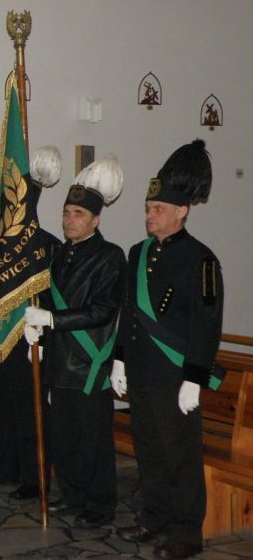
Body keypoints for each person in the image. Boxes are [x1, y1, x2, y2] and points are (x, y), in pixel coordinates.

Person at [112, 140, 223, 559]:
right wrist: (119, 359)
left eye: (157, 208)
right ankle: (154, 516)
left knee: (179, 455)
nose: (149, 215)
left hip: (175, 377)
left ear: (182, 211)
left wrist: (194, 377)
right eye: (147, 207)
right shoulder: (137, 253)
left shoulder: (201, 260)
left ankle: (186, 531)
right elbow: (128, 311)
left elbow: (207, 324)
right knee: (149, 449)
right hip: (142, 371)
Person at [24, 155, 126, 528]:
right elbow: (49, 300)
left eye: (78, 214)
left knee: (93, 441)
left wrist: (52, 320)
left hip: (88, 363)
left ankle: (99, 505)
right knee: (63, 439)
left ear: (96, 219)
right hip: (58, 362)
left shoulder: (110, 256)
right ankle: (73, 496)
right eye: (66, 213)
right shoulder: (59, 256)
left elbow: (102, 310)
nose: (69, 219)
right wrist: (36, 327)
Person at [0, 146, 62, 496]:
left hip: (25, 341)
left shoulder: (48, 246)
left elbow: (52, 298)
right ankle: (3, 467)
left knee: (28, 410)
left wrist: (44, 338)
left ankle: (33, 477)